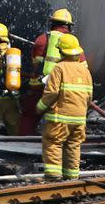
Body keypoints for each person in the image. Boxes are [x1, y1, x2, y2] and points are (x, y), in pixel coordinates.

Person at [19, 9, 86, 135]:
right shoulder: (71, 43)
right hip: (61, 89)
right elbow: (83, 67)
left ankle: (22, 141)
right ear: (69, 26)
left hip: (38, 86)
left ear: (52, 23)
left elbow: (35, 63)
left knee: (29, 115)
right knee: (57, 120)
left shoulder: (42, 39)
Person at [36, 34, 92, 181]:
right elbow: (89, 96)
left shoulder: (59, 68)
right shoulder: (85, 70)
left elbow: (52, 92)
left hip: (59, 117)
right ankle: (72, 177)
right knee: (74, 145)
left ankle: (53, 176)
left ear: (61, 51)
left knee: (53, 142)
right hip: (80, 118)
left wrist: (40, 107)